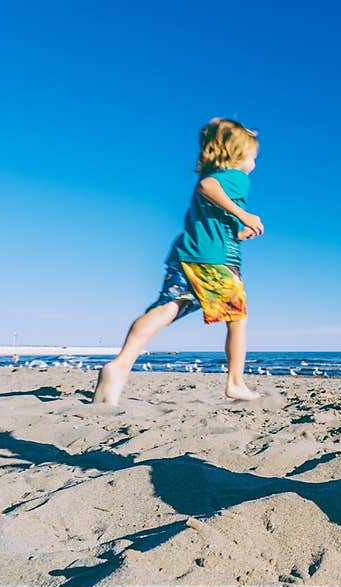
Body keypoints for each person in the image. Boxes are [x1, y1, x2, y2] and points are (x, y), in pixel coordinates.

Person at [92, 118, 264, 405]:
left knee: (167, 307)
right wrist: (246, 216)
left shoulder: (215, 179)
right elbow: (208, 187)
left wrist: (240, 230)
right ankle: (235, 383)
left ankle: (120, 364)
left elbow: (213, 217)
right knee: (237, 319)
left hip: (188, 254)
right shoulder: (234, 177)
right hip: (216, 262)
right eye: (253, 158)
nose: (254, 165)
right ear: (237, 155)